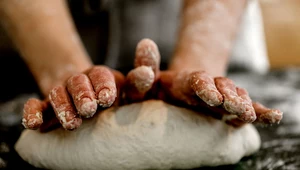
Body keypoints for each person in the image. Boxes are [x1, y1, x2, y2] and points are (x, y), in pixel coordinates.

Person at [0, 0, 282, 131]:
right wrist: (62, 71)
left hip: (201, 22)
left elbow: (203, 78)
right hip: (33, 34)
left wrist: (201, 69)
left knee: (212, 105)